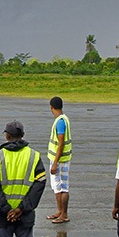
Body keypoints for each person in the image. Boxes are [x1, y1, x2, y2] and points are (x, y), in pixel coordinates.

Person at [46, 96, 72, 224]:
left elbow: (61, 143)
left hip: (60, 160)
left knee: (63, 187)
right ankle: (60, 211)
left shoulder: (60, 121)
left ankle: (64, 214)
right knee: (57, 186)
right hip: (59, 159)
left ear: (52, 107)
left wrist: (55, 163)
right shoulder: (63, 119)